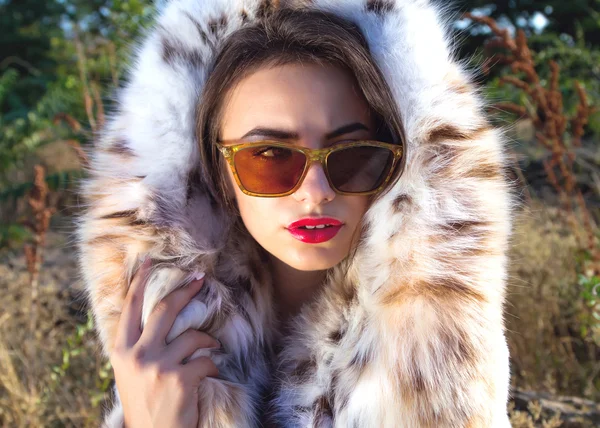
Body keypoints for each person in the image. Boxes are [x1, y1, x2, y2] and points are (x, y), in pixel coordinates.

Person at [76, 1, 514, 427]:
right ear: (214, 175)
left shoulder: (438, 353)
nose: (316, 191)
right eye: (268, 155)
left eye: (352, 156)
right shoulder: (163, 353)